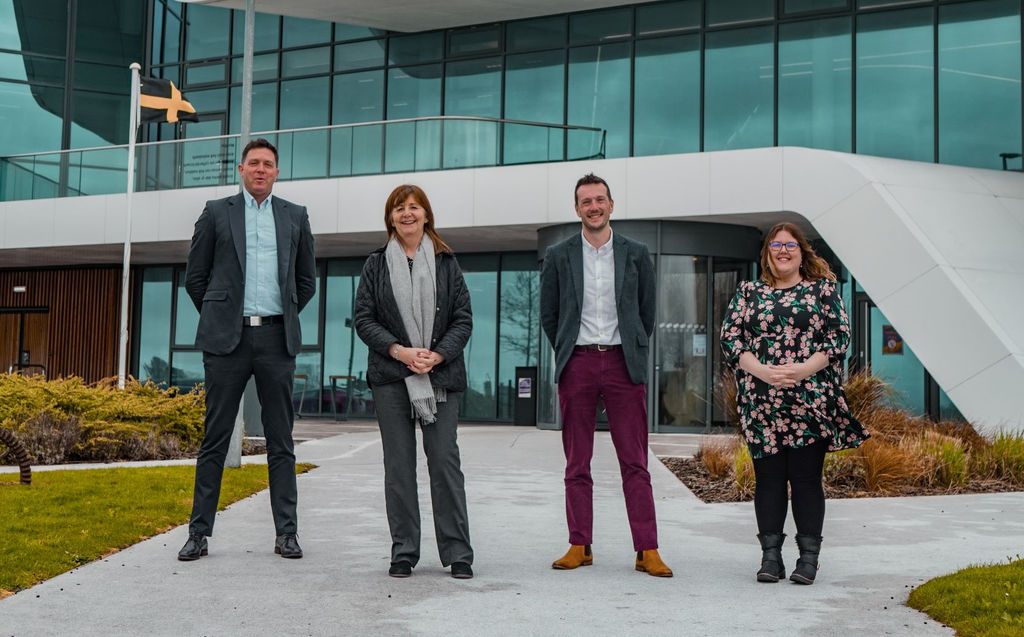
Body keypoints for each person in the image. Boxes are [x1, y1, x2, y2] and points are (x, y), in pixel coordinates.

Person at [178, 138, 316, 561]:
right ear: (241, 169)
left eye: (268, 164)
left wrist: (279, 317)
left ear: (277, 172)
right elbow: (195, 279)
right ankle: (198, 534)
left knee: (281, 441)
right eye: (253, 163)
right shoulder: (217, 212)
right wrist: (222, 317)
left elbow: (305, 282)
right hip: (227, 343)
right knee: (215, 438)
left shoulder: (295, 216)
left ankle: (286, 534)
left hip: (276, 341)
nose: (260, 169)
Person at [720, 221, 869, 585]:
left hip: (810, 400)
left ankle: (808, 559)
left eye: (790, 246)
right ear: (766, 254)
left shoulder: (823, 291)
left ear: (802, 253)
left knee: (805, 479)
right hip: (761, 401)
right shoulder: (748, 292)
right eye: (775, 246)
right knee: (768, 480)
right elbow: (730, 338)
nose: (783, 251)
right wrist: (764, 372)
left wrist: (802, 370)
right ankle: (770, 558)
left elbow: (838, 339)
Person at [540, 173, 672, 578]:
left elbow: (646, 312)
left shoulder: (636, 253)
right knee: (577, 461)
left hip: (622, 364)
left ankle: (646, 549)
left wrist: (630, 346)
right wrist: (567, 349)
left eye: (600, 200)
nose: (593, 207)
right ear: (577, 208)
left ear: (611, 205)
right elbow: (550, 314)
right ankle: (580, 544)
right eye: (585, 201)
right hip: (577, 363)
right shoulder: (559, 255)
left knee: (635, 462)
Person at [354, 184, 475, 580]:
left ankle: (458, 553)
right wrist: (401, 352)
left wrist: (437, 355)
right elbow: (364, 319)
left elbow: (463, 318)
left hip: (439, 376)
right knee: (399, 468)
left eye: (414, 207)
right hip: (392, 377)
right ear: (390, 218)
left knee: (444, 464)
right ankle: (404, 552)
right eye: (399, 208)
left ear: (426, 215)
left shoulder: (446, 262)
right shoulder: (375, 264)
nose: (407, 214)